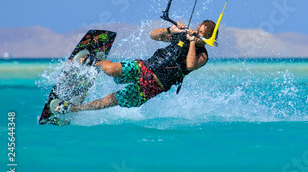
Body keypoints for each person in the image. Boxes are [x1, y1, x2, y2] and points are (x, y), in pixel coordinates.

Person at [52, 20, 216, 113]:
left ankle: (74, 109)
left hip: (153, 87)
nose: (197, 33)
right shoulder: (182, 35)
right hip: (145, 67)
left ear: (208, 38)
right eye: (198, 29)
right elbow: (154, 36)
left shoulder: (202, 55)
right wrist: (171, 30)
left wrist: (193, 42)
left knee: (111, 99)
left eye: (202, 34)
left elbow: (190, 65)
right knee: (110, 70)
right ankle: (93, 62)